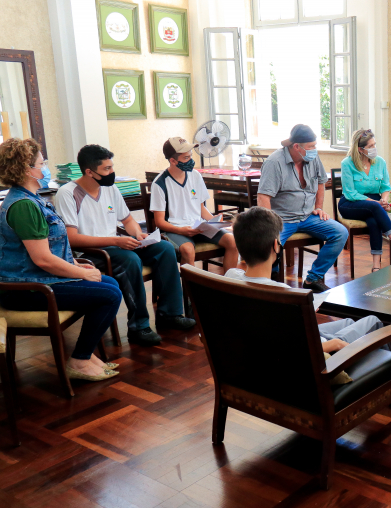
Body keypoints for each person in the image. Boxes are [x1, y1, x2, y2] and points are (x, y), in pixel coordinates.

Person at [223, 207, 391, 399]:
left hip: (261, 364)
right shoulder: (284, 297)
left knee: (347, 322)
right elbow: (306, 349)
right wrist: (335, 343)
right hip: (313, 363)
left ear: (240, 247)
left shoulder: (230, 277)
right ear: (276, 245)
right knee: (372, 320)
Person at [0, 138, 122, 381]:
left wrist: (74, 264)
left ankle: (85, 355)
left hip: (38, 279)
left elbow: (50, 248)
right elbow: (43, 259)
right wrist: (82, 273)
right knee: (109, 295)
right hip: (27, 289)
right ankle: (79, 360)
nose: (45, 168)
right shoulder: (24, 206)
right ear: (27, 169)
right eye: (41, 163)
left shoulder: (31, 199)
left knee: (110, 284)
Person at [54, 144, 195, 347]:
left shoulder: (110, 188)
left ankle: (170, 314)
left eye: (112, 167)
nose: (112, 173)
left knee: (164, 249)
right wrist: (116, 241)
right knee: (129, 259)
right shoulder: (67, 193)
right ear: (89, 172)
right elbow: (72, 238)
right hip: (89, 252)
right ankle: (139, 326)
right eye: (107, 169)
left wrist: (139, 235)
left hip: (116, 245)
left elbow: (128, 220)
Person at [256, 124, 348, 292]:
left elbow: (321, 181)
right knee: (269, 245)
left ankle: (313, 278)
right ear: (296, 147)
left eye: (315, 146)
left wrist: (318, 207)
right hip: (281, 219)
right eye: (310, 147)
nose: (314, 150)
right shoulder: (274, 162)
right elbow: (263, 197)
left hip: (307, 216)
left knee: (340, 232)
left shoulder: (312, 158)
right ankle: (271, 282)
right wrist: (270, 228)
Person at [150, 137, 239, 273]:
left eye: (191, 156)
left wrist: (214, 221)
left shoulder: (195, 175)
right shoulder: (160, 183)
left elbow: (200, 208)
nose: (191, 161)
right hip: (175, 229)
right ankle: (191, 293)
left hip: (199, 226)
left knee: (232, 241)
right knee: (188, 249)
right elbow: (159, 222)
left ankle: (230, 286)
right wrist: (182, 230)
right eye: (186, 158)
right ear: (173, 161)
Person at [339, 129, 391, 272]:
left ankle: (376, 266)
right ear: (360, 149)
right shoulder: (347, 164)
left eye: (374, 144)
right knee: (375, 208)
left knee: (374, 220)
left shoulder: (380, 162)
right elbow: (350, 193)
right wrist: (377, 204)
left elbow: (385, 186)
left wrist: (384, 200)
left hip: (374, 203)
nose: (374, 148)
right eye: (370, 146)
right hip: (350, 203)